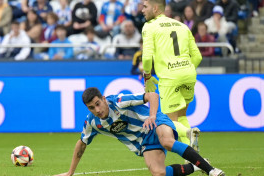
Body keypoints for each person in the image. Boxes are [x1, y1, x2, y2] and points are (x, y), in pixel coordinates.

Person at [54, 87, 225, 176]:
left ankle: (211, 170)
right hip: (145, 142)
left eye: (98, 104)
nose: (97, 110)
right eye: (92, 108)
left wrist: (152, 116)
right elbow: (81, 144)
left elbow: (153, 96)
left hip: (156, 122)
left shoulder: (118, 101)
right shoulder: (92, 123)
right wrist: (70, 172)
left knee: (166, 141)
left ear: (104, 99)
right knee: (159, 173)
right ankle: (195, 167)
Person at [141, 0, 202, 148]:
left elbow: (147, 57)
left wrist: (148, 76)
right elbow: (198, 57)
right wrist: (184, 69)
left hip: (170, 77)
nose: (142, 10)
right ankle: (191, 157)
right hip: (188, 73)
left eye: (145, 7)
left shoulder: (149, 26)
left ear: (155, 8)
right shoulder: (182, 26)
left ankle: (188, 131)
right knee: (181, 116)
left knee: (169, 120)